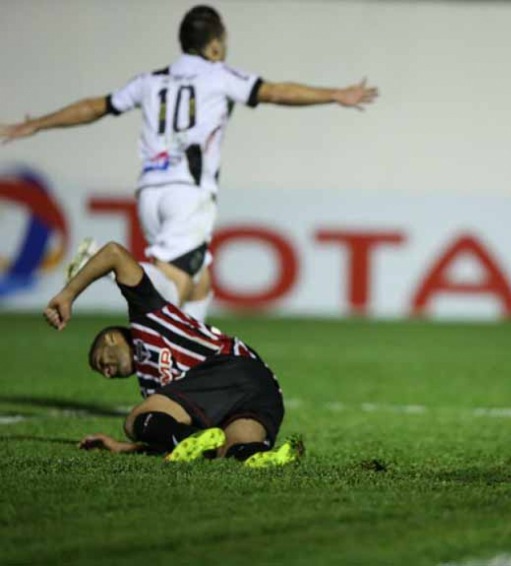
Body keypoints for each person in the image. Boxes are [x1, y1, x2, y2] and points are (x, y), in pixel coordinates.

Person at [4, 5, 379, 322]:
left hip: (150, 192)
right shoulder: (219, 75)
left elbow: (95, 107)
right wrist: (335, 95)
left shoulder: (150, 81)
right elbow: (277, 92)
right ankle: (100, 264)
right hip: (189, 192)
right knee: (173, 284)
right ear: (215, 45)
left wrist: (35, 124)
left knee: (199, 283)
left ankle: (190, 370)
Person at [43, 240, 302, 467]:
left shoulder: (147, 316)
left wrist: (68, 295)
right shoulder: (151, 388)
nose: (107, 372)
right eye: (105, 374)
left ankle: (195, 437)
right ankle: (262, 455)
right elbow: (169, 441)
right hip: (264, 388)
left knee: (135, 420)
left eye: (102, 362)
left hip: (228, 365)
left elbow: (113, 253)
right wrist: (120, 447)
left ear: (111, 339)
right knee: (230, 451)